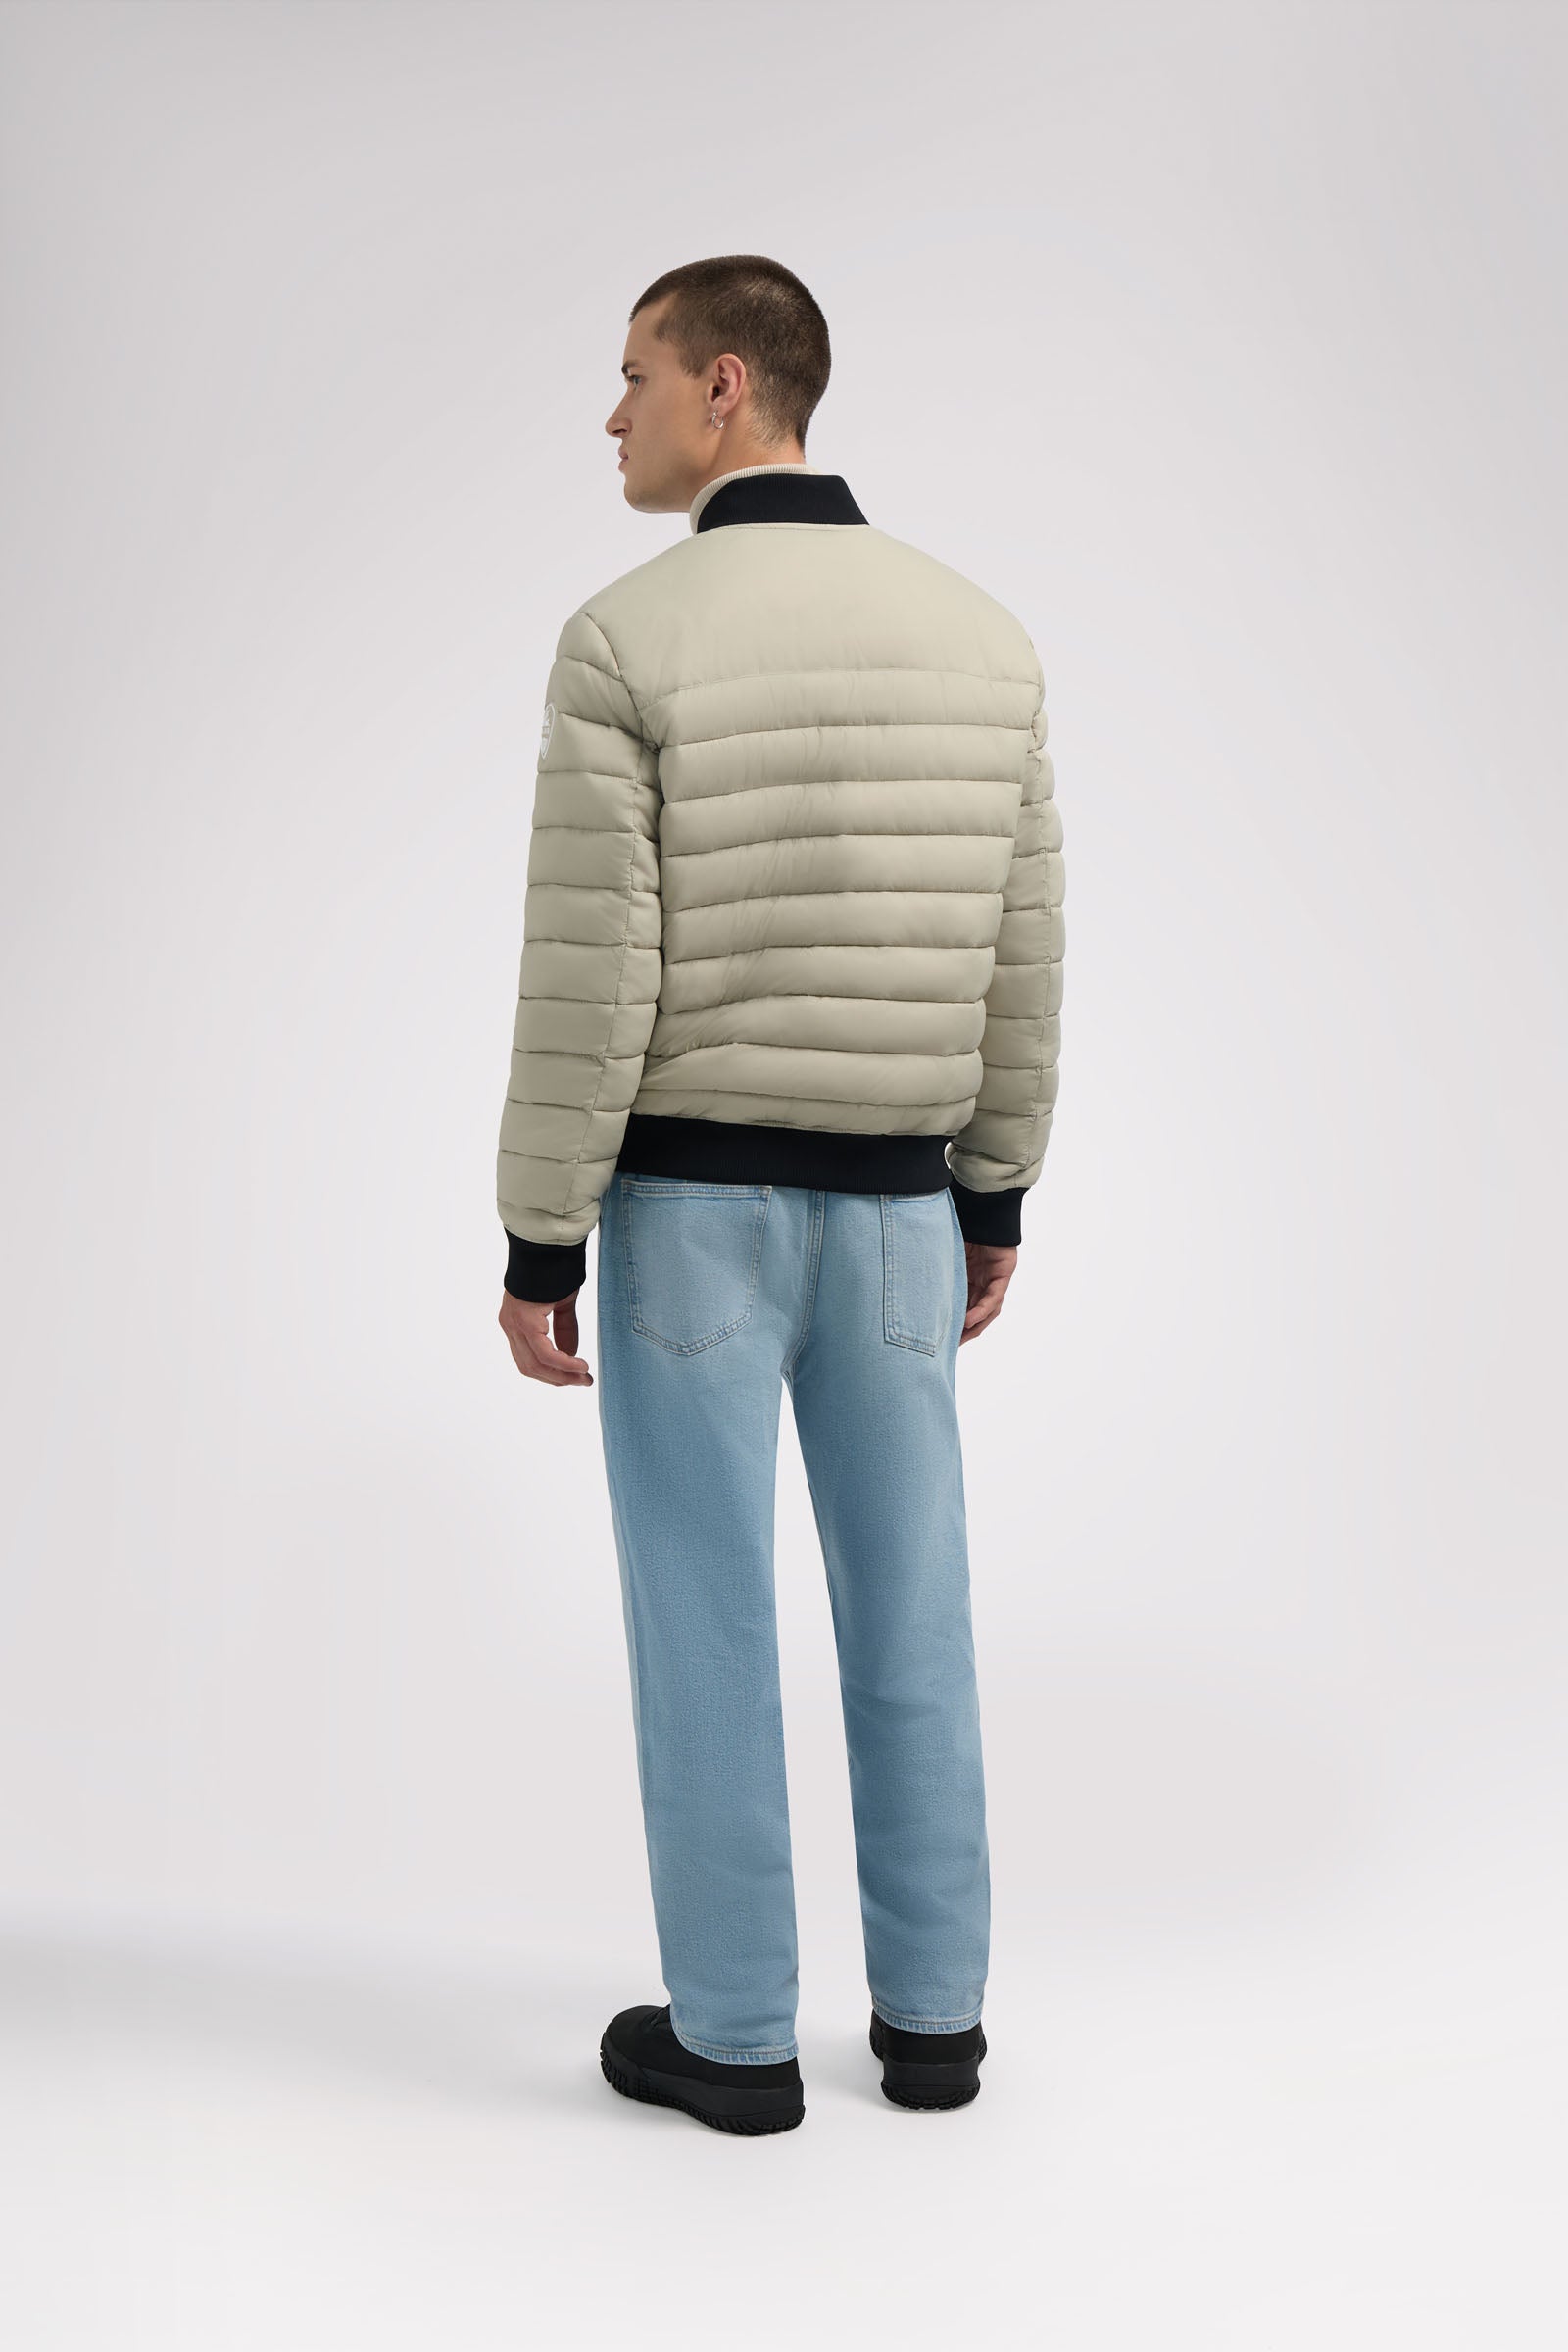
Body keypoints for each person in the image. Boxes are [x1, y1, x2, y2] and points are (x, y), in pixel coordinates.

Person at [495, 255, 1065, 2135]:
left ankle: (737, 2039)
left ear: (726, 385)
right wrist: (994, 1194)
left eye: (636, 374)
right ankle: (935, 2026)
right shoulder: (985, 640)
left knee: (706, 1615)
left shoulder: (625, 638)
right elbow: (1022, 954)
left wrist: (540, 1231)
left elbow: (595, 971)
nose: (615, 414)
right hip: (903, 1217)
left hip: (695, 1219)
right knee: (916, 1609)